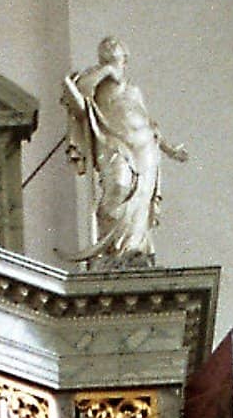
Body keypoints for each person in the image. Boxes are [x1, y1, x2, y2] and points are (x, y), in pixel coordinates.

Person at [61, 37, 187, 263]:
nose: (111, 48)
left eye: (116, 51)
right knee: (117, 187)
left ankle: (133, 251)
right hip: (112, 143)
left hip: (144, 147)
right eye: (107, 52)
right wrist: (107, 71)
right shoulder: (94, 82)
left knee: (140, 199)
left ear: (125, 59)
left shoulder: (134, 90)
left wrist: (169, 149)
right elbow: (78, 99)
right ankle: (112, 250)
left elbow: (150, 124)